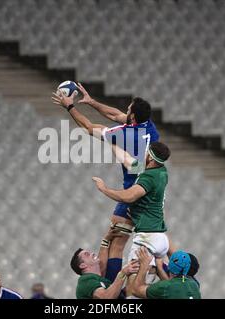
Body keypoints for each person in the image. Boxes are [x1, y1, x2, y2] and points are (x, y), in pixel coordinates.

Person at [52, 84, 160, 282]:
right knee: (112, 241)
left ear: (133, 117)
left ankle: (113, 290)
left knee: (116, 244)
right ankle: (112, 285)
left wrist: (69, 106)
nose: (125, 111)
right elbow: (116, 115)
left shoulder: (124, 135)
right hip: (143, 190)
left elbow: (88, 127)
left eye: (129, 110)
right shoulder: (149, 128)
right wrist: (91, 102)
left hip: (134, 195)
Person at [91, 141, 171, 297]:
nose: (145, 154)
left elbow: (128, 196)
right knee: (149, 282)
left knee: (134, 290)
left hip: (146, 239)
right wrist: (110, 140)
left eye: (147, 152)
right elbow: (128, 161)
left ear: (151, 158)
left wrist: (103, 188)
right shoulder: (161, 171)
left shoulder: (148, 177)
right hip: (160, 239)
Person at [71, 228, 139, 299]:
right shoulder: (85, 281)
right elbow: (107, 297)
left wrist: (105, 241)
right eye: (87, 254)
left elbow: (102, 266)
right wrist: (123, 273)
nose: (92, 253)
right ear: (82, 265)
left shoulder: (100, 280)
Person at [132, 247, 201, 299]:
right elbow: (174, 286)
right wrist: (160, 269)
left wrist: (144, 265)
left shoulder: (165, 287)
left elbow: (136, 290)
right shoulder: (195, 285)